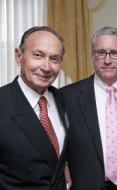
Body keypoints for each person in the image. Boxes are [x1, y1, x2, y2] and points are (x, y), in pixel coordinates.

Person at [60, 26, 117, 190]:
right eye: (101, 52)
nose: (107, 60)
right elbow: (56, 141)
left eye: (114, 53)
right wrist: (64, 165)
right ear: (92, 56)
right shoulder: (67, 97)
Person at [0, 26, 69, 189]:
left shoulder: (64, 99)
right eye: (38, 55)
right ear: (19, 56)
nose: (46, 67)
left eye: (54, 59)